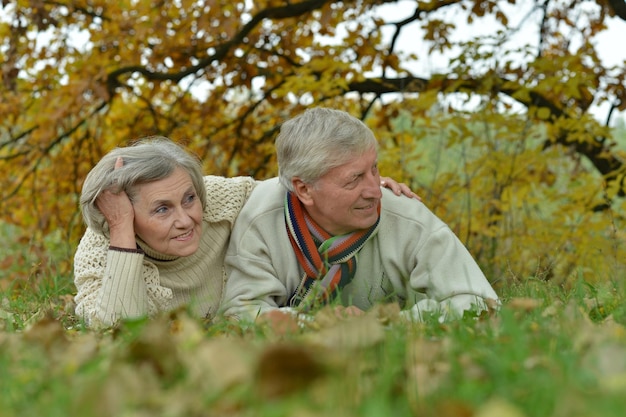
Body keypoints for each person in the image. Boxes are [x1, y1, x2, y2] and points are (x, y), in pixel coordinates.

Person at [73, 135, 416, 328]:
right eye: (162, 209)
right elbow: (116, 329)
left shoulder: (217, 199)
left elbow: (298, 196)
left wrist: (362, 190)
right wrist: (122, 233)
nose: (186, 219)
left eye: (189, 198)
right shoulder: (100, 250)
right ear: (125, 215)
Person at [221, 108, 499, 323]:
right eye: (354, 179)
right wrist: (316, 326)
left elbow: (479, 302)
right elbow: (242, 311)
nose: (375, 191)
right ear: (304, 189)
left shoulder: (407, 215)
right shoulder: (261, 217)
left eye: (374, 169)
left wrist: (385, 324)